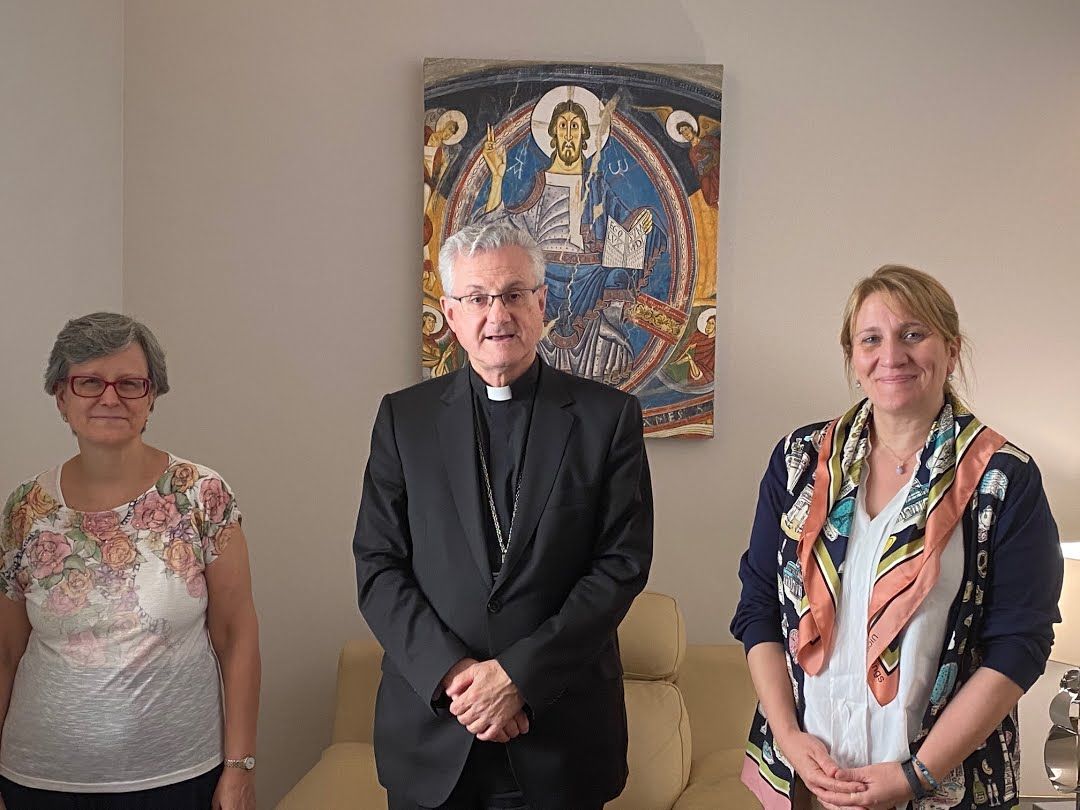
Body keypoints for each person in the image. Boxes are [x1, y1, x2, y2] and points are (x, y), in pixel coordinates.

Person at [730, 265, 1062, 810]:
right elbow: (758, 607)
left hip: (940, 786)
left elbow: (1020, 645)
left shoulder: (1005, 478)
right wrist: (789, 740)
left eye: (914, 334)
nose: (892, 355)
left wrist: (917, 775)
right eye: (871, 339)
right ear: (852, 357)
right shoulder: (798, 462)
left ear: (951, 351)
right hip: (809, 780)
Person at [353, 222, 653, 809]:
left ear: (542, 303)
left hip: (561, 739)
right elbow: (378, 566)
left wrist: (518, 677)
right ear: (450, 312)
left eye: (515, 294)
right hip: (433, 736)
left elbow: (621, 566)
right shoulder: (403, 420)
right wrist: (458, 678)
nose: (499, 314)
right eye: (478, 298)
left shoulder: (607, 419)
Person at [0, 313, 260, 810]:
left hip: (178, 776)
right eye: (89, 382)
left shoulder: (200, 495)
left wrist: (240, 766)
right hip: (39, 779)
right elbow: (6, 652)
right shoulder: (24, 509)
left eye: (130, 384)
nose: (110, 398)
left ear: (152, 397)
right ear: (61, 397)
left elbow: (237, 636)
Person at [479, 91, 667, 385]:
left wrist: (642, 222)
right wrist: (498, 178)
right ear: (552, 134)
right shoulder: (538, 186)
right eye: (563, 126)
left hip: (589, 280)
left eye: (575, 127)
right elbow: (500, 228)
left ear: (585, 137)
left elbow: (627, 227)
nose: (569, 134)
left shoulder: (598, 187)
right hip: (544, 280)